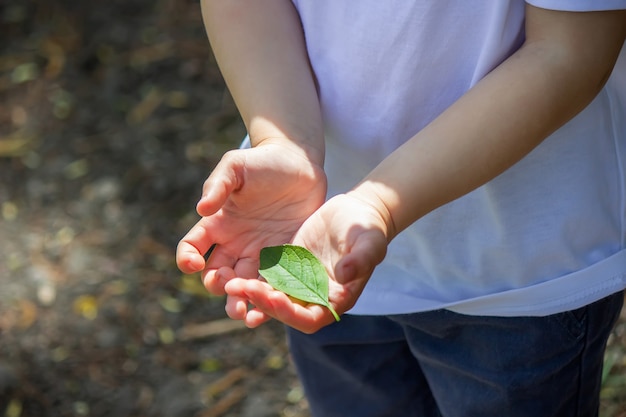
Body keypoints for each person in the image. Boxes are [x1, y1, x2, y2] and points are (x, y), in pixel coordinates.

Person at [177, 1, 626, 416]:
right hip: (318, 237)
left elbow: (569, 51)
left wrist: (380, 205)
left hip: (515, 270)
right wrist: (286, 142)